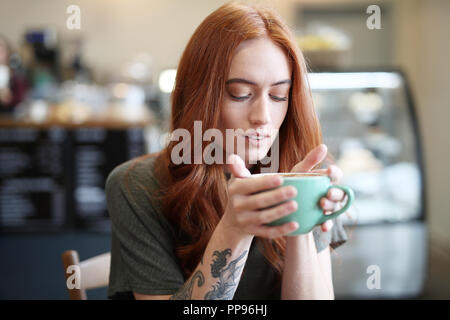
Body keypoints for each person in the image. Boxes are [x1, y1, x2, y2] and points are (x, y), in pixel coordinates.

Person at [105, 1, 349, 300]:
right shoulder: (137, 185)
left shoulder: (306, 177)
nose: (263, 116)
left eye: (278, 95)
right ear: (199, 97)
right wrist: (233, 229)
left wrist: (299, 217)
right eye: (241, 94)